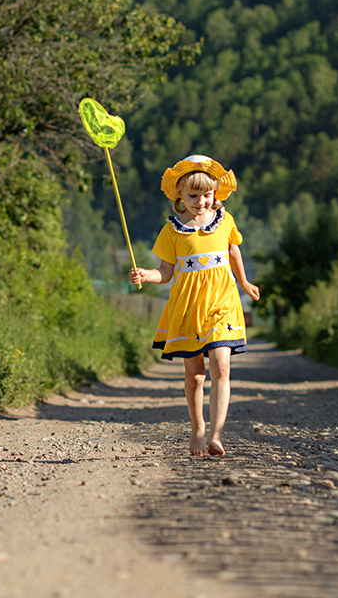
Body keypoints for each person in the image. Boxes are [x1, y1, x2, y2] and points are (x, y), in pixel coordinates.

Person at [130, 155, 260, 457]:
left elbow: (233, 251)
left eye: (206, 194)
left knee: (221, 364)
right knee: (195, 375)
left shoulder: (225, 221)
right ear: (179, 196)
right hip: (188, 306)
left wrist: (244, 282)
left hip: (222, 301)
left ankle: (216, 434)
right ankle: (198, 429)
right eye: (192, 195)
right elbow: (165, 273)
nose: (200, 201)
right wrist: (146, 275)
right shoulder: (172, 231)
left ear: (215, 193)